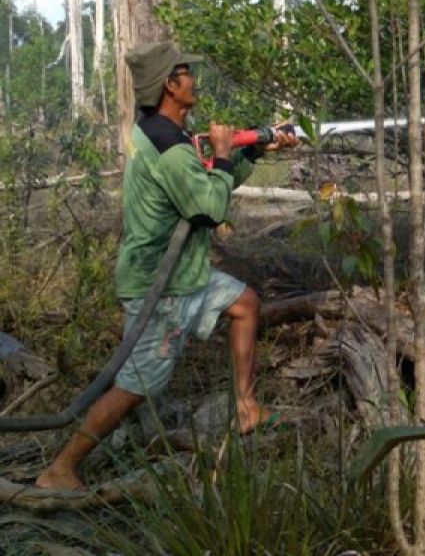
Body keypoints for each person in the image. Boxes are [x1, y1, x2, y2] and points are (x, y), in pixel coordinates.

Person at [36, 41, 299, 491]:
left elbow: (209, 180)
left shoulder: (164, 134)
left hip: (183, 273)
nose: (193, 79)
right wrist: (218, 153)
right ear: (169, 85)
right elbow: (209, 208)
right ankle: (60, 468)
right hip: (160, 287)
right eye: (186, 73)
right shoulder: (169, 147)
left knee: (244, 304)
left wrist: (252, 149)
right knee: (135, 386)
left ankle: (245, 408)